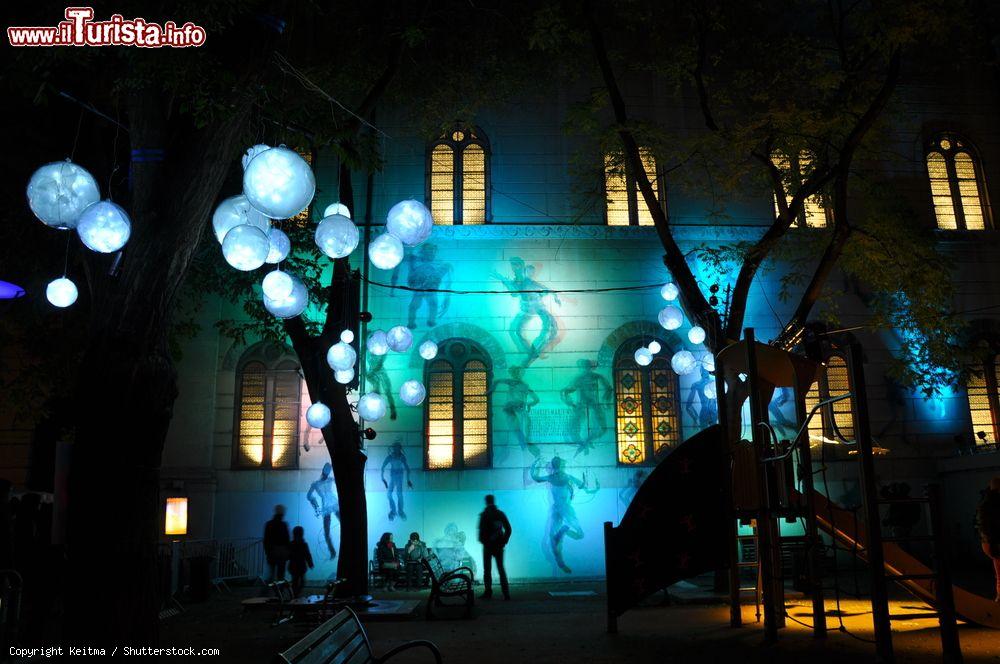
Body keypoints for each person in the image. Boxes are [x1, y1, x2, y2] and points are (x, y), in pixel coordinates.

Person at [477, 495, 512, 600]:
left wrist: (484, 541)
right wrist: (503, 541)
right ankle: (506, 594)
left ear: (486, 502)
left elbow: (480, 533)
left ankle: (488, 592)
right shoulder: (500, 514)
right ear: (493, 501)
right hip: (499, 546)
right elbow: (508, 529)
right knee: (501, 569)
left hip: (487, 547)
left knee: (487, 570)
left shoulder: (484, 515)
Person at [975, 477, 1000, 602]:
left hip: (990, 542)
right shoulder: (994, 505)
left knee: (999, 574)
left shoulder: (985, 504)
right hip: (995, 541)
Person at [263, 505, 291, 582]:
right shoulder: (284, 525)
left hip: (272, 551)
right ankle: (279, 592)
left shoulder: (269, 524)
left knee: (271, 574)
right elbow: (287, 540)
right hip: (282, 552)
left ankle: (267, 591)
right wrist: (288, 553)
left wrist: (267, 551)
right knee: (280, 575)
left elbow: (266, 539)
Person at [288, 526, 314, 597]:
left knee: (295, 581)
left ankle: (294, 594)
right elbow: (307, 555)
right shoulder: (304, 544)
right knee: (301, 581)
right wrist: (310, 564)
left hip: (293, 566)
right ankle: (295, 594)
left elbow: (288, 555)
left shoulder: (291, 544)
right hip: (301, 566)